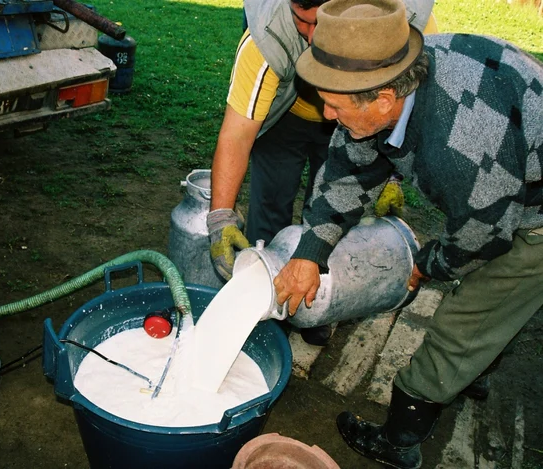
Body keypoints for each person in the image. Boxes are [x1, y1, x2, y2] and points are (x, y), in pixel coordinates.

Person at [273, 0, 543, 467]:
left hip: (530, 213)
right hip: (502, 177)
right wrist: (309, 252)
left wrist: (426, 264)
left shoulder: (459, 144)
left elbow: (483, 237)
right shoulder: (388, 79)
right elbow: (345, 171)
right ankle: (474, 368)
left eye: (334, 106)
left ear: (383, 101)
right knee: (487, 301)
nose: (327, 115)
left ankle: (400, 440)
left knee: (469, 316)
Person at [207, 0, 436, 346]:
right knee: (271, 204)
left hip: (362, 118)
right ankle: (269, 306)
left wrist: (389, 175)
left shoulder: (404, 26)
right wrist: (221, 217)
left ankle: (318, 301)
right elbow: (236, 134)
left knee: (337, 212)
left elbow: (405, 113)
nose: (316, 38)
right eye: (304, 23)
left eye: (323, 23)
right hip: (285, 116)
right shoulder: (267, 39)